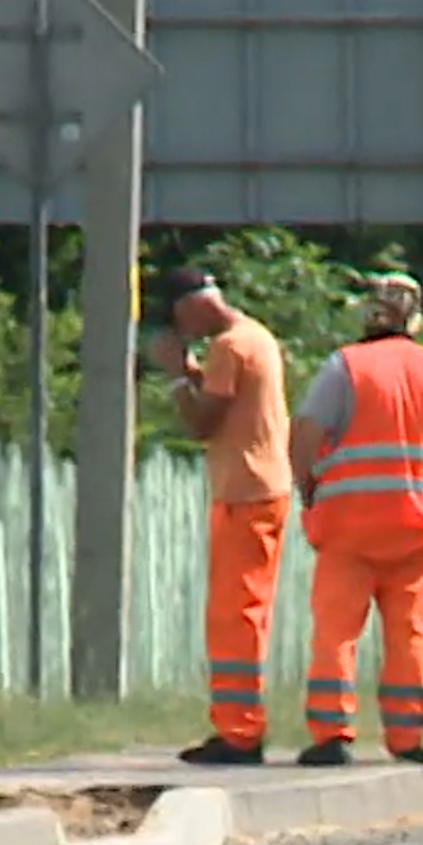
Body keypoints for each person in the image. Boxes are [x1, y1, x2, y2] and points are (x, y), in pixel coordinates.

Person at [293, 272, 423, 767]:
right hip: (417, 527)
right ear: (417, 320)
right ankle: (406, 739)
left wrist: (310, 486)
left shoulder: (344, 367)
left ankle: (333, 734)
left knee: (336, 630)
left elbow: (303, 433)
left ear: (370, 313)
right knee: (410, 634)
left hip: (349, 525)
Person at [151, 267, 294, 768]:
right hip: (259, 489)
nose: (178, 326)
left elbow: (204, 422)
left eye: (178, 316)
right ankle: (237, 725)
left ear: (192, 305)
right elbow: (225, 400)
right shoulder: (254, 338)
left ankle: (240, 732)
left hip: (247, 493)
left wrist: (174, 376)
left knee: (236, 616)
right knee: (237, 613)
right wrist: (192, 373)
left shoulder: (229, 347)